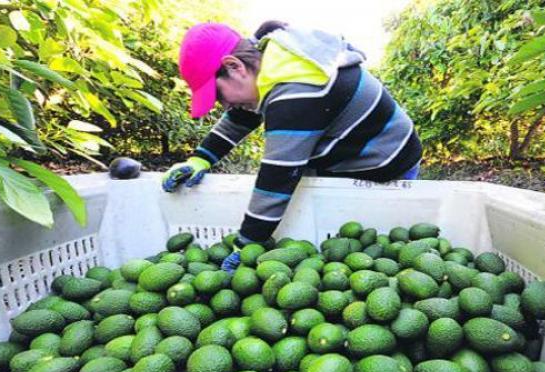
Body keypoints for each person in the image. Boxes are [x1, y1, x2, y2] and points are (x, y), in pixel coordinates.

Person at [163, 21, 422, 271]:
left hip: (385, 161)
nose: (225, 105)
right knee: (337, 245)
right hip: (346, 155)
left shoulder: (298, 92)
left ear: (234, 66)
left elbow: (277, 180)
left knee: (374, 245)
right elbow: (241, 117)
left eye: (218, 95)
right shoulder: (275, 60)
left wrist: (246, 244)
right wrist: (201, 158)